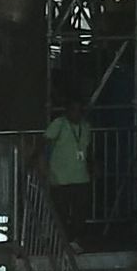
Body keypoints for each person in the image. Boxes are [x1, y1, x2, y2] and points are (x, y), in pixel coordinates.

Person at [43, 97, 93, 246]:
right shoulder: (59, 124)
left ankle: (75, 239)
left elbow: (87, 149)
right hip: (60, 178)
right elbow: (46, 144)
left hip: (81, 176)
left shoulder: (86, 127)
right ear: (67, 111)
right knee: (61, 212)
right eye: (73, 110)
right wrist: (44, 167)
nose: (77, 114)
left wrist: (92, 165)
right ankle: (65, 240)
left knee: (80, 212)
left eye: (79, 110)